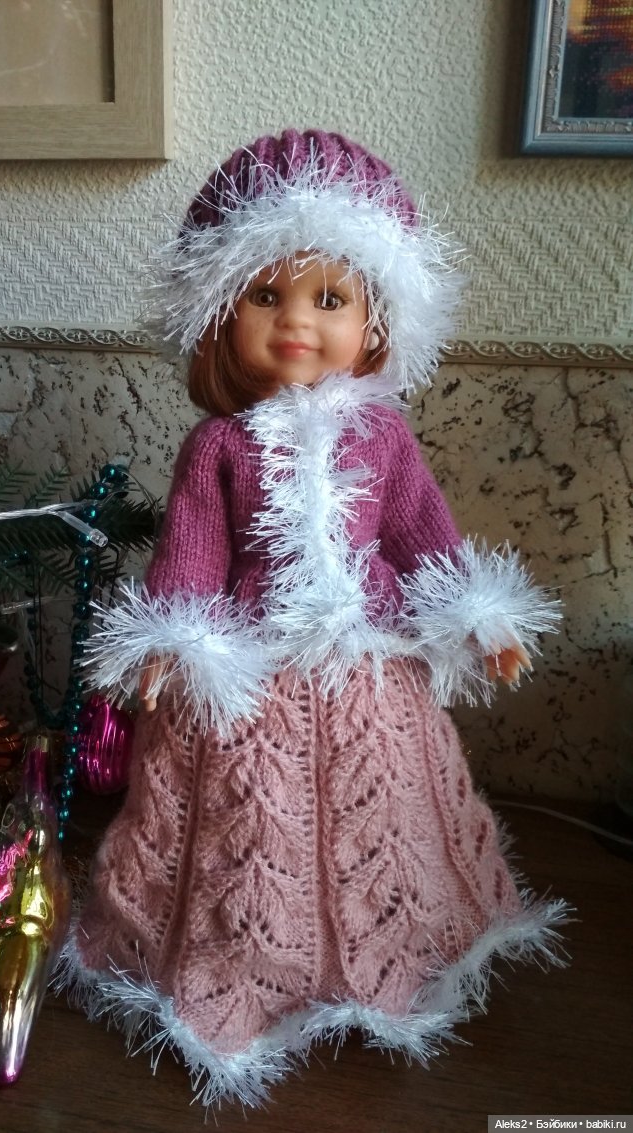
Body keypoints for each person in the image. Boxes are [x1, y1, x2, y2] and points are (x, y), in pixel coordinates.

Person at [57, 129, 567, 1107]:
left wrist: (479, 618)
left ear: (375, 323)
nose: (296, 320)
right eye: (265, 295)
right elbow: (193, 555)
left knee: (389, 807)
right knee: (243, 822)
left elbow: (424, 539)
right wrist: (172, 639)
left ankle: (400, 934)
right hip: (246, 681)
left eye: (329, 298)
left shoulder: (386, 438)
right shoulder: (218, 446)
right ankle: (243, 950)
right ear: (219, 315)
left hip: (372, 674)